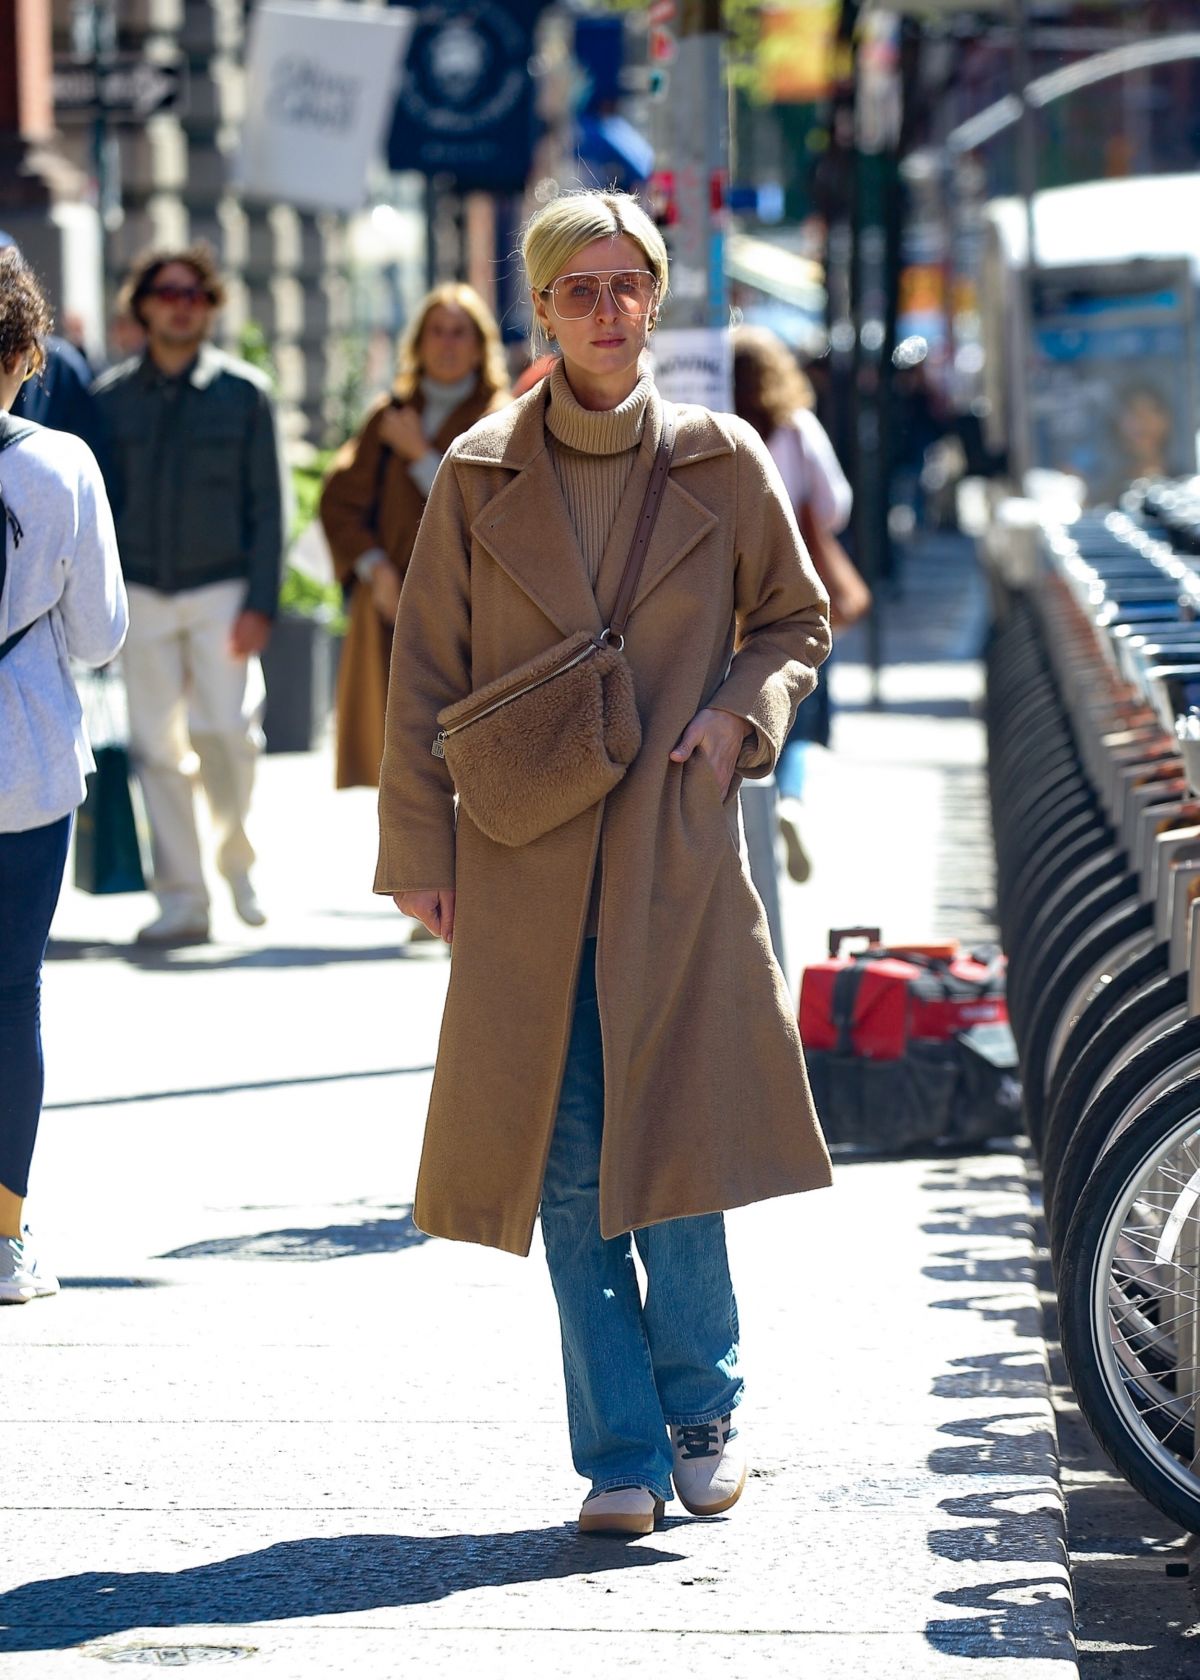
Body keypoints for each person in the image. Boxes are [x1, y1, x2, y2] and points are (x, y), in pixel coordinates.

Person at [375, 190, 833, 1536]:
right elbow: (423, 681)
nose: (608, 311)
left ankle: (705, 1411)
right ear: (541, 309)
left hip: (671, 852)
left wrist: (735, 716)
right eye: (580, 290)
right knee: (562, 1158)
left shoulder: (721, 458)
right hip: (523, 856)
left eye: (629, 285)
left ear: (659, 299)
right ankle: (619, 1451)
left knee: (675, 1127)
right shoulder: (477, 475)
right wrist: (419, 852)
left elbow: (795, 619)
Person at [92, 244, 286, 947]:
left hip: (223, 589)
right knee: (157, 749)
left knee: (226, 733)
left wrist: (262, 602)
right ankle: (183, 897)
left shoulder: (244, 393)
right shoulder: (109, 401)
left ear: (210, 308)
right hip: (139, 589)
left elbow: (271, 505)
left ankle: (237, 861)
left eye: (195, 294)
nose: (181, 303)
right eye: (167, 292)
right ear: (143, 305)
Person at [0, 249, 128, 1302]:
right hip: (23, 765)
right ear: (30, 352)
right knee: (11, 994)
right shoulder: (59, 465)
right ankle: (5, 1235)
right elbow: (98, 634)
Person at [319, 284, 509, 792]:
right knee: (396, 760)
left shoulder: (501, 417)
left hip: (467, 607)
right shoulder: (391, 412)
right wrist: (374, 566)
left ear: (479, 345)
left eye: (459, 333)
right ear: (419, 343)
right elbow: (339, 502)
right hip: (389, 605)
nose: (447, 344)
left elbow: (489, 512)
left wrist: (420, 454)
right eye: (436, 332)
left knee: (460, 756)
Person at [732, 325, 852, 883]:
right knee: (800, 704)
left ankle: (752, 800)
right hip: (794, 588)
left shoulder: (713, 429)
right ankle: (791, 800)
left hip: (730, 588)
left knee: (741, 693)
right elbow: (835, 506)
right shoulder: (796, 431)